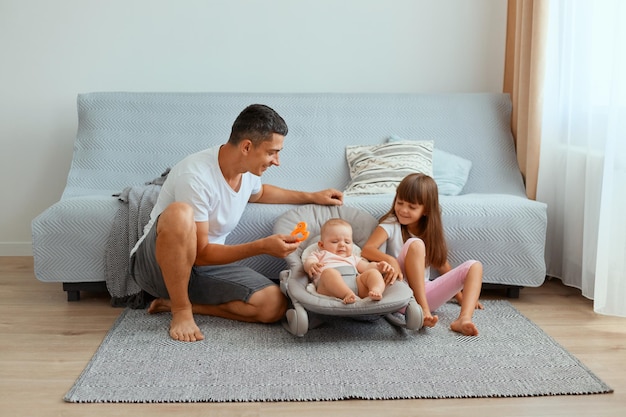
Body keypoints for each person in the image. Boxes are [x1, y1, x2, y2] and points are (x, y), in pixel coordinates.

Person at [130, 104, 343, 342]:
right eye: (272, 152)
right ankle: (182, 311)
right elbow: (199, 254)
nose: (277, 161)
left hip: (202, 268)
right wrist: (262, 246)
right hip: (159, 267)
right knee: (180, 213)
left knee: (274, 304)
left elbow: (259, 194)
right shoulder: (196, 176)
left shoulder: (248, 170)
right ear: (247, 147)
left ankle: (174, 304)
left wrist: (312, 196)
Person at [361, 173, 484, 336]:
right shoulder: (391, 223)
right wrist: (391, 260)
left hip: (425, 294)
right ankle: (423, 310)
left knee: (475, 266)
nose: (403, 210)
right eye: (400, 203)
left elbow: (442, 265)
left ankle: (464, 319)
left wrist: (461, 297)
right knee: (415, 244)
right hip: (399, 292)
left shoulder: (429, 233)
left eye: (412, 207)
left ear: (426, 210)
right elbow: (367, 249)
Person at [303, 218, 393, 304]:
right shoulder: (320, 254)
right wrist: (311, 265)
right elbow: (308, 262)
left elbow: (367, 267)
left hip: (355, 285)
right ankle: (346, 294)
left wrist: (379, 267)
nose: (342, 244)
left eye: (347, 242)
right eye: (335, 241)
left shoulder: (353, 257)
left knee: (373, 273)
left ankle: (375, 290)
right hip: (329, 288)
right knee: (329, 273)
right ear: (322, 245)